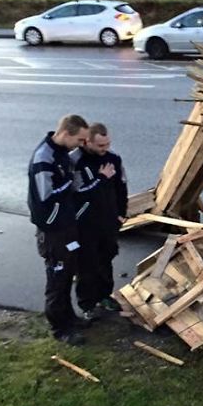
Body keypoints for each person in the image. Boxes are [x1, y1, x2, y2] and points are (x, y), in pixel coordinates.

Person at [27, 114, 90, 344]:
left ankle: (69, 317)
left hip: (67, 228)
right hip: (53, 232)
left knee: (69, 272)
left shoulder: (61, 151)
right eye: (80, 140)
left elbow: (68, 171)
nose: (81, 145)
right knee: (57, 278)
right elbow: (46, 195)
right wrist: (71, 182)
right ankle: (60, 329)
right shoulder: (43, 159)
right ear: (66, 134)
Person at [72, 122, 128, 320]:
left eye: (107, 144)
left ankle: (104, 295)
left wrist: (122, 213)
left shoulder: (114, 159)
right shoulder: (76, 162)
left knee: (107, 259)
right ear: (87, 142)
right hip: (85, 223)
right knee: (86, 265)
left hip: (108, 221)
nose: (105, 150)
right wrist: (101, 179)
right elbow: (78, 193)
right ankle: (87, 304)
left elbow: (121, 187)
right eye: (100, 146)